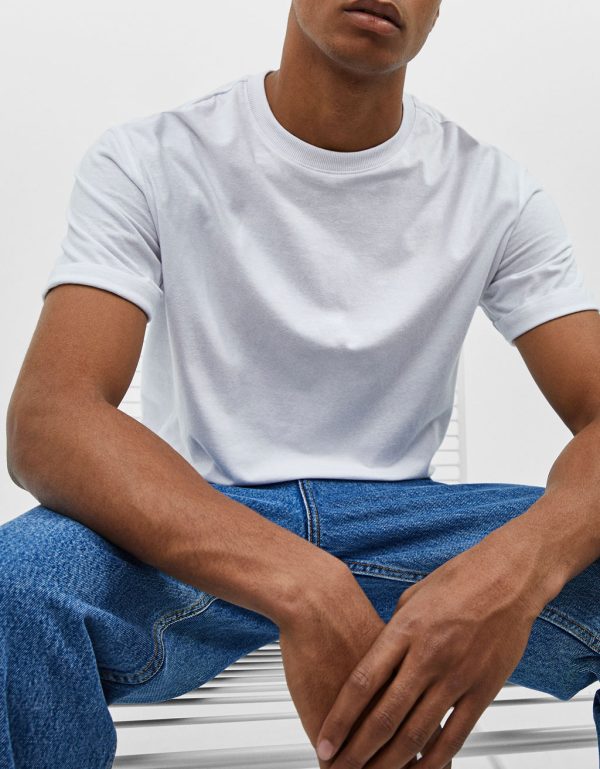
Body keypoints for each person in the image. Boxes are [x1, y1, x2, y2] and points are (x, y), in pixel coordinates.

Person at [3, 1, 600, 767]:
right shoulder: (151, 157)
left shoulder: (494, 190)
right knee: (18, 584)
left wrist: (513, 573)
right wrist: (302, 583)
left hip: (409, 529)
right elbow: (52, 417)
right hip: (201, 519)